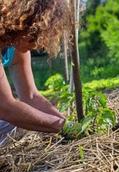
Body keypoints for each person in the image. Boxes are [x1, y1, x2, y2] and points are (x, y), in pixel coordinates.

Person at [0, 0, 71, 144]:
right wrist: (63, 127)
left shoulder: (17, 45)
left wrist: (66, 122)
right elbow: (5, 107)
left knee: (19, 124)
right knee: (17, 120)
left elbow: (31, 96)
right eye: (37, 36)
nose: (38, 44)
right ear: (25, 25)